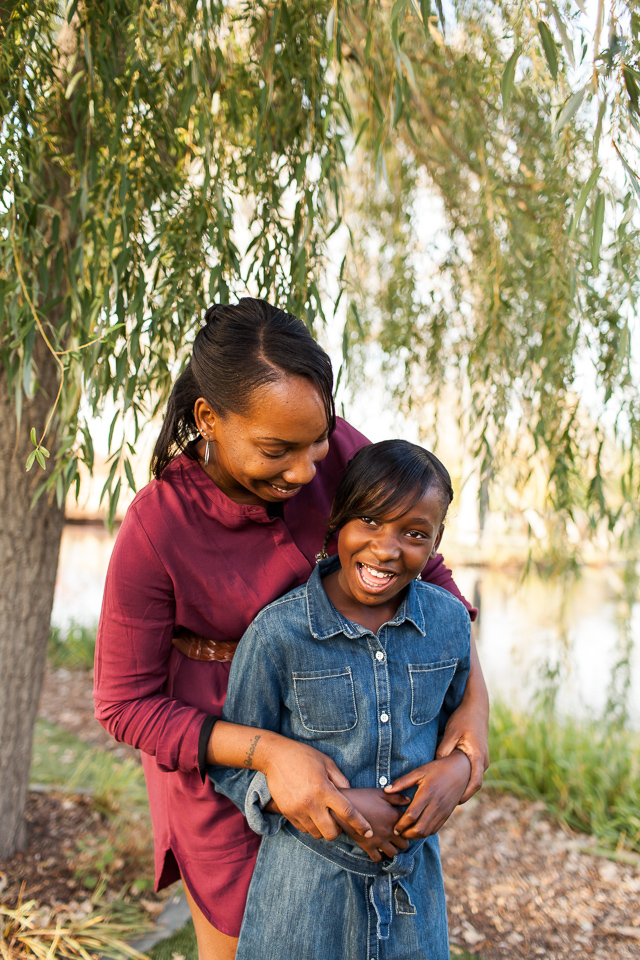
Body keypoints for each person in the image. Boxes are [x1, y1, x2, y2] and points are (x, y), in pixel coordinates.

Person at [93, 299, 489, 960]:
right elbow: (123, 704)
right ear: (209, 419)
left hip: (347, 743)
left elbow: (432, 581)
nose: (308, 472)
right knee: (252, 937)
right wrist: (271, 755)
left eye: (318, 440)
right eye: (278, 450)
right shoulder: (156, 526)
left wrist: (471, 729)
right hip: (220, 756)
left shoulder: (331, 450)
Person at [211, 440, 471, 960]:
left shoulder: (448, 623)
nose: (386, 549)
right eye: (370, 522)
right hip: (302, 895)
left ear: (437, 540)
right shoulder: (279, 633)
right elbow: (233, 769)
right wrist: (335, 805)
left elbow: (460, 724)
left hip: (412, 896)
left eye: (414, 533)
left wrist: (460, 770)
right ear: (338, 523)